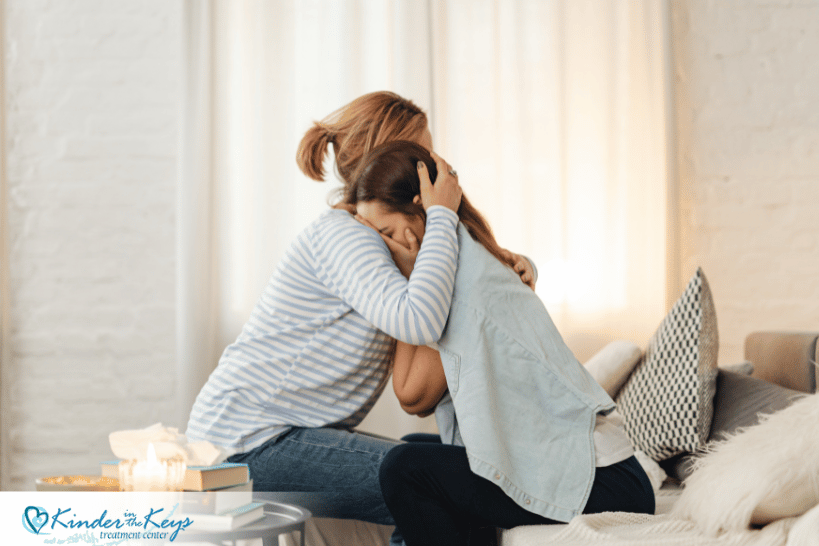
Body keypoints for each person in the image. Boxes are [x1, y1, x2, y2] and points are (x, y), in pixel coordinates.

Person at [184, 91, 532, 535]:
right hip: (245, 444)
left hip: (270, 436)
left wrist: (517, 264)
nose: (435, 165)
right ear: (387, 161)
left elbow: (451, 290)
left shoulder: (381, 239)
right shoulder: (346, 237)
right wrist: (442, 215)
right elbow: (421, 319)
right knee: (429, 485)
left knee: (429, 471)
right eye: (422, 155)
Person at [348, 140, 655, 546]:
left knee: (405, 467)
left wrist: (409, 274)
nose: (382, 249)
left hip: (605, 481)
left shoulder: (462, 277)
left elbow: (412, 395)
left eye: (385, 233)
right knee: (412, 449)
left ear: (420, 214)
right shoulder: (461, 259)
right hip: (591, 472)